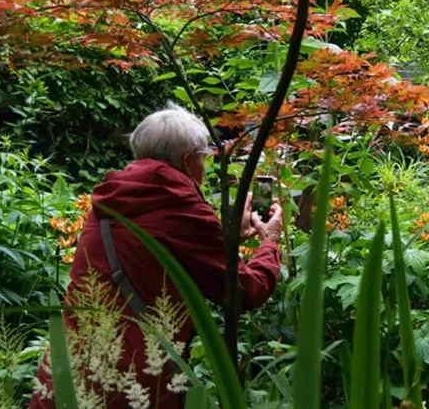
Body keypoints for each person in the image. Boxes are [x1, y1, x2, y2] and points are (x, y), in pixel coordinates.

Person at [31, 103, 282, 408]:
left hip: (65, 377)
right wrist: (269, 242)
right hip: (130, 386)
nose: (204, 170)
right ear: (189, 162)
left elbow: (154, 252)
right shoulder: (180, 207)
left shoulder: (110, 198)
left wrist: (230, 239)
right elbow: (246, 291)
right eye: (203, 161)